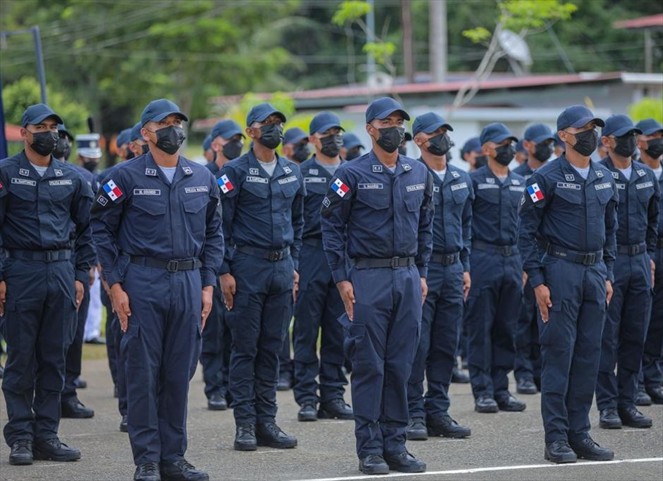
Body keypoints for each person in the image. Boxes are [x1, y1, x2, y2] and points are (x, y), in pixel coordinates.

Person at [92, 98, 223, 481]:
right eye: (164, 123)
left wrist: (208, 282)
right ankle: (147, 459)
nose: (173, 130)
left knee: (178, 373)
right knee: (143, 374)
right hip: (141, 282)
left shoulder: (201, 177)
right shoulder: (123, 177)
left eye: (177, 122)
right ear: (146, 133)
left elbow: (215, 232)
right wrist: (115, 283)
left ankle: (174, 458)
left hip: (187, 281)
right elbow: (101, 230)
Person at [321, 97, 433, 475]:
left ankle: (395, 444)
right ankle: (370, 449)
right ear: (370, 128)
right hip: (367, 277)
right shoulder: (350, 174)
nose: (395, 129)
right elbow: (331, 228)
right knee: (371, 366)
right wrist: (342, 278)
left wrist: (421, 272)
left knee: (401, 365)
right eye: (387, 122)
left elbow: (425, 226)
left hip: (406, 276)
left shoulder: (418, 172)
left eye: (400, 122)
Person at [519, 104, 617, 464]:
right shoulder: (544, 178)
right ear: (564, 136)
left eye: (594, 128)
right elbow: (526, 233)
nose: (590, 134)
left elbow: (612, 230)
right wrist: (538, 281)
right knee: (559, 356)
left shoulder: (605, 176)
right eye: (583, 129)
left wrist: (607, 271)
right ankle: (556, 439)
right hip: (559, 272)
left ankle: (580, 434)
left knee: (589, 356)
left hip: (594, 275)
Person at [0, 103, 95, 465]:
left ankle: (47, 435)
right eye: (40, 128)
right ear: (24, 133)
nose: (48, 134)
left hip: (60, 271)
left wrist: (80, 273)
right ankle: (21, 437)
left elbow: (87, 230)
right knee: (22, 358)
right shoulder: (6, 174)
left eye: (54, 128)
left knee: (55, 358)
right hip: (20, 272)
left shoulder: (72, 177)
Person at [218, 103, 303, 452]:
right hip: (247, 268)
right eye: (265, 124)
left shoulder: (292, 172)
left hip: (281, 269)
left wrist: (293, 263)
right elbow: (219, 224)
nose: (274, 129)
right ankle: (245, 425)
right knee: (245, 348)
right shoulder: (234, 172)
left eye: (278, 123)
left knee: (273, 347)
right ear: (251, 132)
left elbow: (298, 223)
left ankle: (267, 421)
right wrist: (224, 270)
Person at [406, 112, 472, 442]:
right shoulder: (412, 176)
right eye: (435, 133)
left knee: (447, 344)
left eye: (445, 131)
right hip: (425, 269)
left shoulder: (461, 177)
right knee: (419, 344)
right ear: (419, 140)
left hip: (453, 268)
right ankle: (413, 412)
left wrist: (466, 266)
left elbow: (468, 225)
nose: (442, 137)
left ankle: (438, 411)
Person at [595, 115, 659, 430]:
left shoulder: (647, 175)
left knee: (636, 334)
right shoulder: (599, 174)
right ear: (606, 141)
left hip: (639, 261)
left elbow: (653, 218)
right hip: (612, 260)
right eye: (623, 136)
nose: (631, 141)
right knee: (608, 337)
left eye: (633, 135)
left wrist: (647, 253)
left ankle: (627, 402)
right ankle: (607, 406)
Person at [292, 112, 352, 423]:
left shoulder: (353, 172)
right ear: (313, 139)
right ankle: (305, 397)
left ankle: (333, 396)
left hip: (342, 259)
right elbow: (294, 220)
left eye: (337, 132)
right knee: (305, 329)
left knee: (338, 330)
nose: (334, 138)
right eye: (327, 133)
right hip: (311, 255)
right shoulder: (301, 173)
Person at [464, 123, 526, 415]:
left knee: (507, 328)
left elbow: (528, 226)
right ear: (487, 148)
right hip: (483, 258)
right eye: (502, 144)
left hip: (513, 260)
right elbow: (463, 224)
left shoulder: (520, 183)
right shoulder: (472, 181)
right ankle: (483, 391)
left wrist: (526, 263)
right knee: (480, 327)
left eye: (511, 143)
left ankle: (501, 389)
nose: (509, 149)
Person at [201, 118, 244, 411]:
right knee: (214, 330)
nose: (236, 144)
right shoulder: (204, 176)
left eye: (239, 139)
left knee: (235, 330)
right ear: (216, 143)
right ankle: (214, 387)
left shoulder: (240, 174)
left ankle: (230, 385)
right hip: (214, 265)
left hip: (239, 261)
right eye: (230, 139)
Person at [58, 131, 100, 421]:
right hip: (40, 260)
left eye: (61, 135)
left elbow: (93, 223)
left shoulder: (83, 177)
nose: (57, 140)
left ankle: (68, 392)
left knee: (74, 330)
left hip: (75, 259)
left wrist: (90, 263)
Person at [512, 124, 556, 396]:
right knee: (523, 320)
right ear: (527, 145)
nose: (547, 147)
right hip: (523, 259)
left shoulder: (551, 176)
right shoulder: (519, 178)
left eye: (550, 142)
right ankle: (524, 373)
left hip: (548, 259)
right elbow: (523, 227)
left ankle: (540, 371)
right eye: (542, 142)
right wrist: (524, 264)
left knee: (546, 319)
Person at [635, 118, 663, 405]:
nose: (657, 141)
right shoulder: (635, 174)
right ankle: (638, 382)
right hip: (643, 253)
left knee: (658, 323)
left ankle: (654, 379)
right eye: (652, 136)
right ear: (639, 141)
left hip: (656, 250)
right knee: (639, 321)